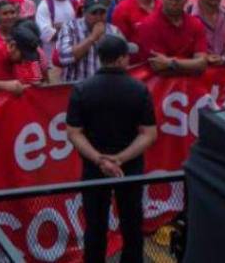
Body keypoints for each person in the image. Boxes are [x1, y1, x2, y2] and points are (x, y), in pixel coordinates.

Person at [66, 34, 157, 263]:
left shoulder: (82, 90)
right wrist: (120, 159)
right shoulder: (139, 90)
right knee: (132, 223)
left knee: (95, 225)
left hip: (94, 167)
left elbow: (74, 133)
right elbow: (149, 133)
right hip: (130, 166)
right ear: (121, 59)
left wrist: (100, 159)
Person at [56, 0, 126, 82]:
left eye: (102, 13)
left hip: (105, 85)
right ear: (84, 12)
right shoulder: (70, 27)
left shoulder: (113, 31)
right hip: (76, 85)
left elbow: (124, 59)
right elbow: (64, 58)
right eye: (94, 13)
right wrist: (92, 38)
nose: (98, 17)